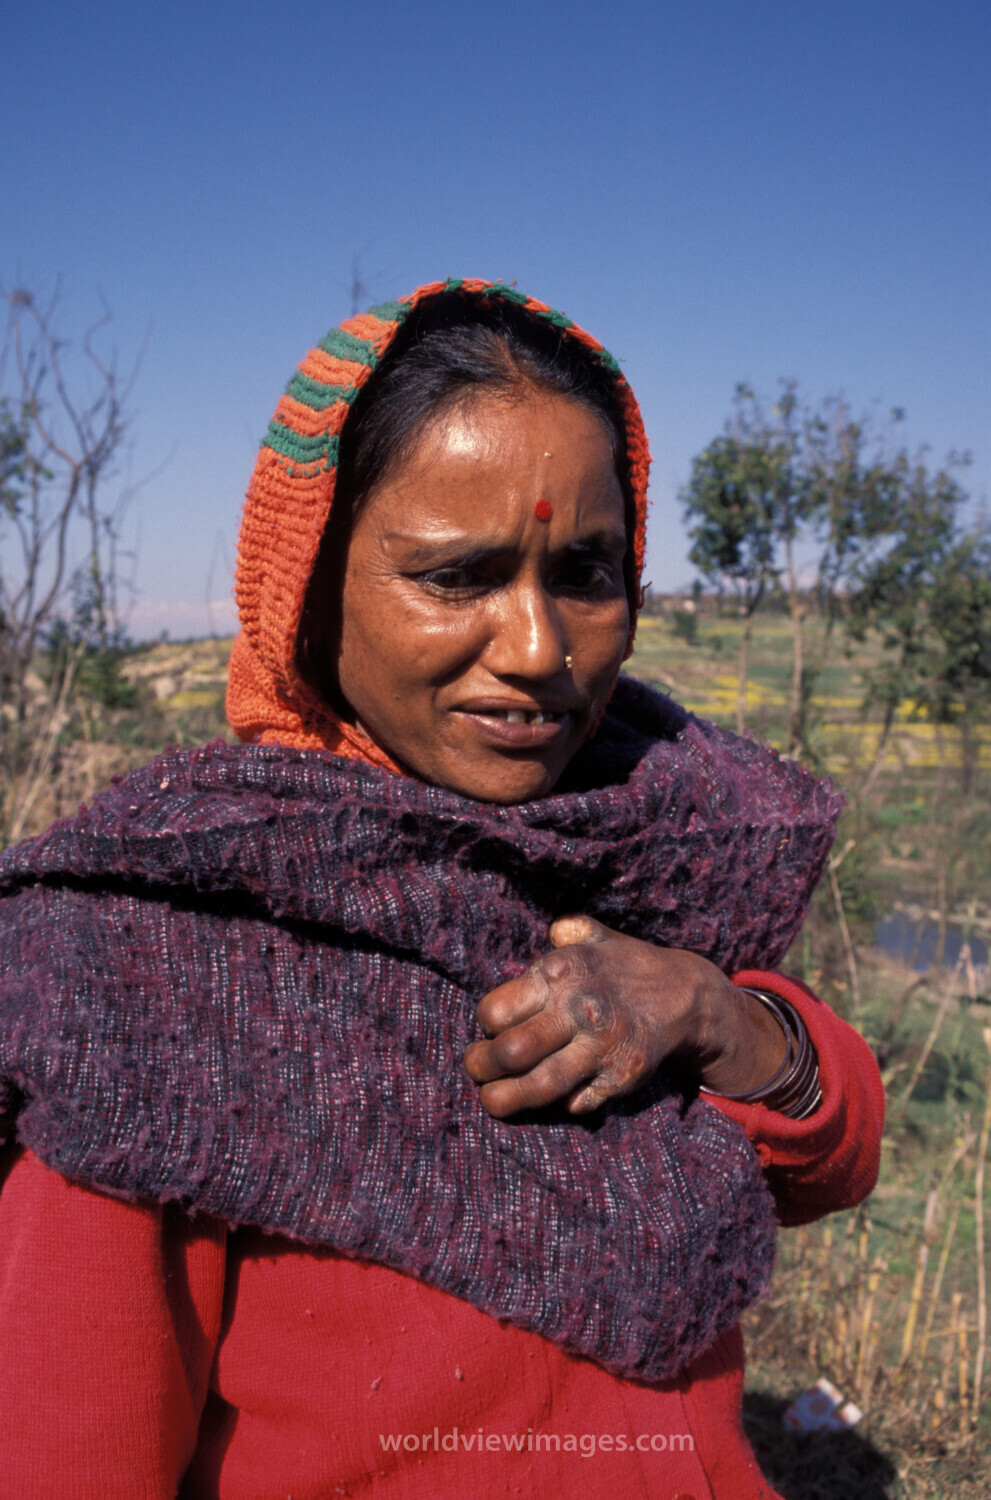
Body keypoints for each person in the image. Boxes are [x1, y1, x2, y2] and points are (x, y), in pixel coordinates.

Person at [0, 279, 884, 1499]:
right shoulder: (140, 966)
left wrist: (709, 1009)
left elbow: (833, 1159)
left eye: (584, 572)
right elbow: (73, 1448)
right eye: (457, 575)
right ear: (308, 588)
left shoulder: (652, 848)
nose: (538, 648)